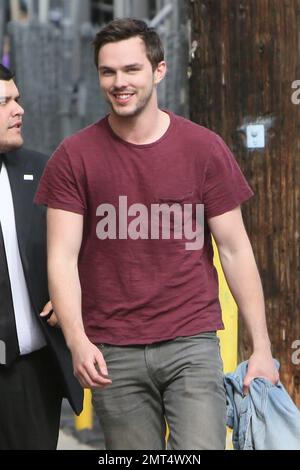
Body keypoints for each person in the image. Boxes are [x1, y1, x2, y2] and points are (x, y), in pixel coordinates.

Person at [35, 18, 279, 450]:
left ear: (158, 70)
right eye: (108, 72)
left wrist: (261, 348)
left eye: (131, 69)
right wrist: (77, 340)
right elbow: (62, 257)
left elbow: (236, 249)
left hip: (191, 342)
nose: (119, 82)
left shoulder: (202, 148)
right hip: (112, 349)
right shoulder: (74, 157)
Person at [0, 63, 83, 450]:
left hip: (28, 373)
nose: (19, 110)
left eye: (17, 99)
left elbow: (78, 248)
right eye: (5, 102)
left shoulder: (39, 169)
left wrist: (67, 292)